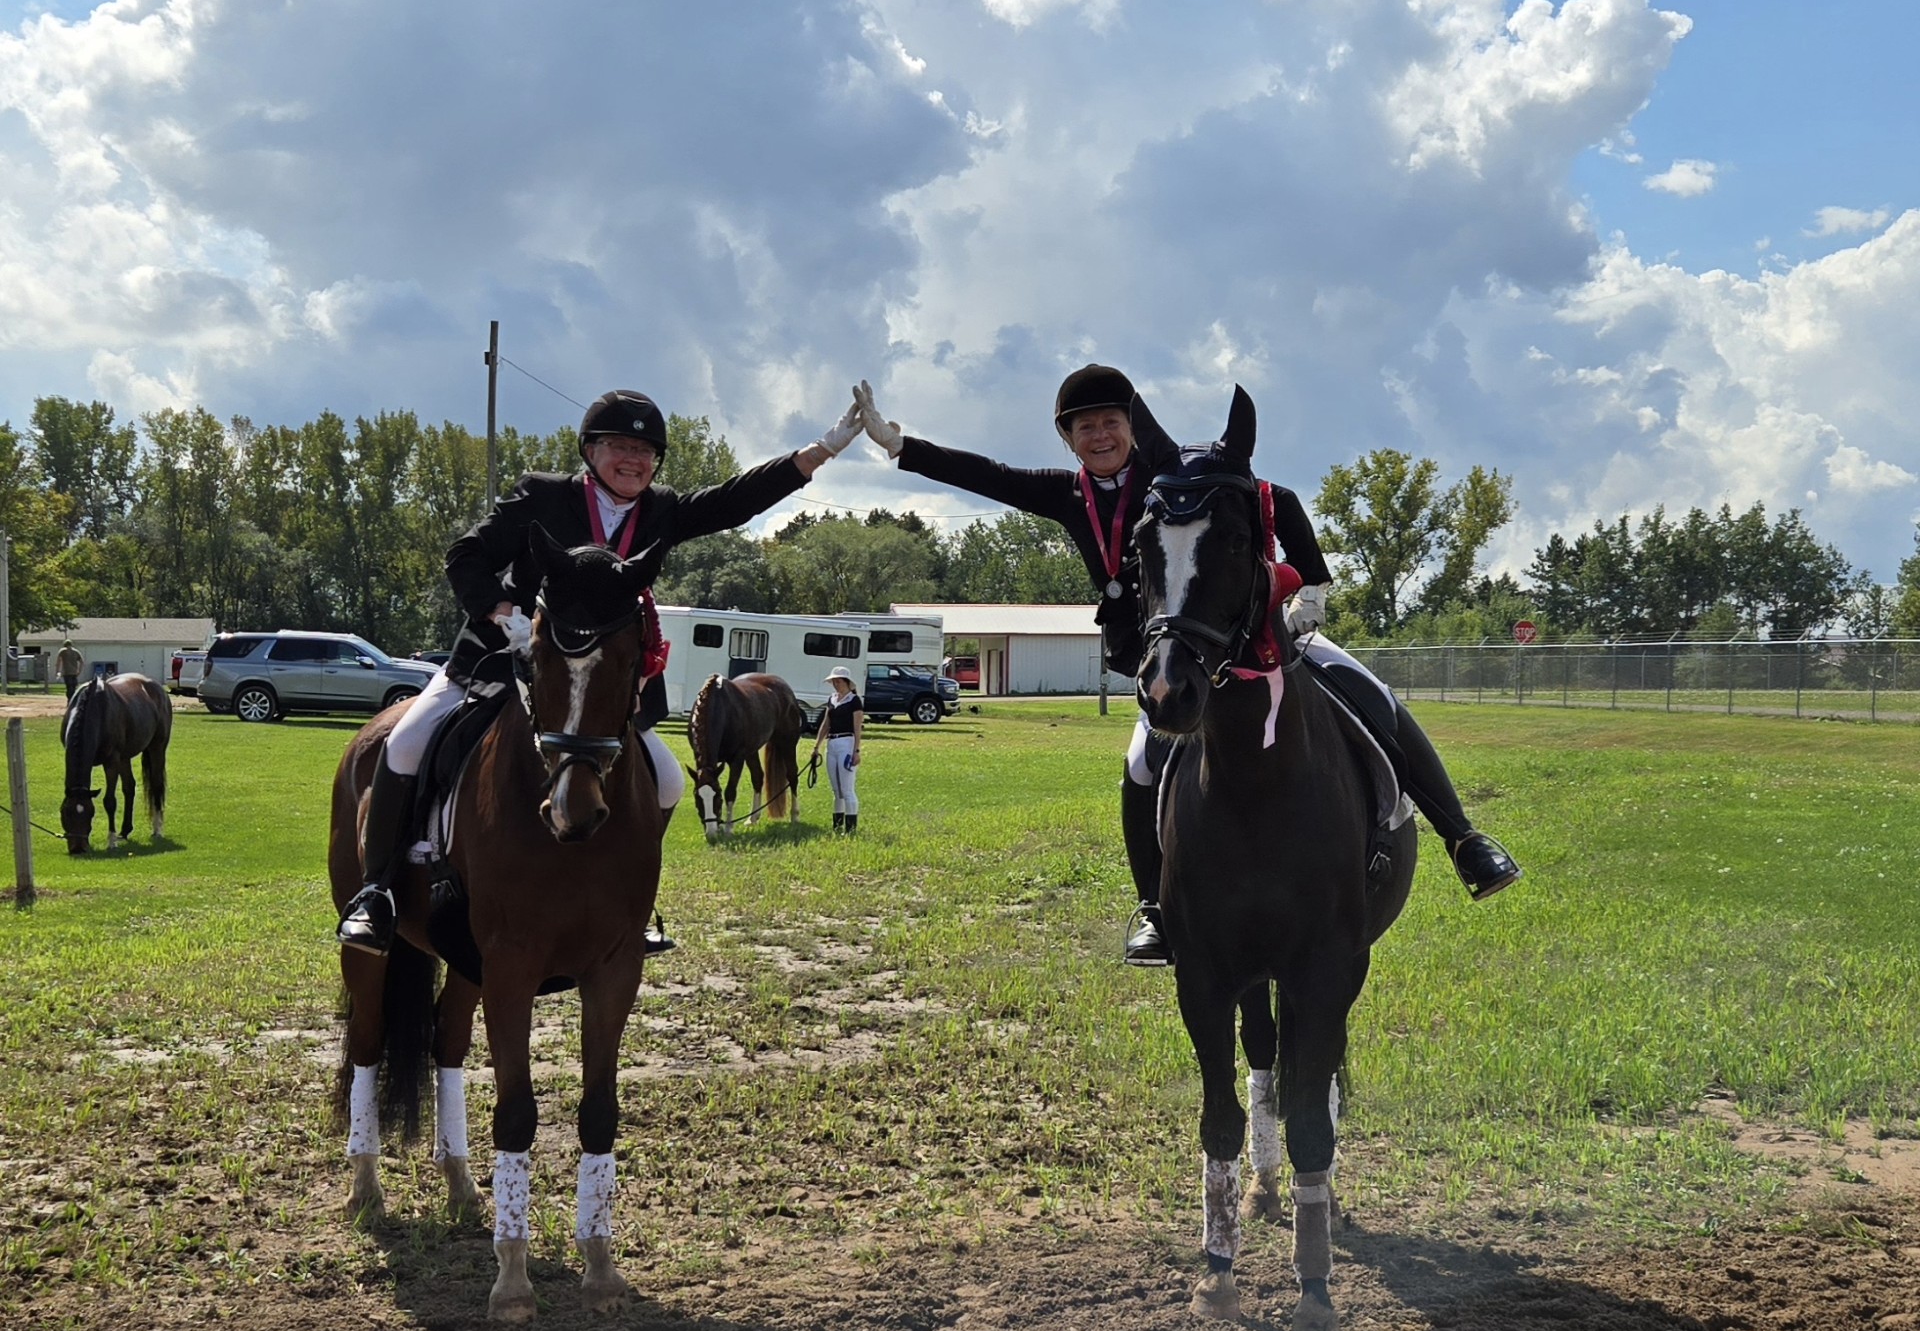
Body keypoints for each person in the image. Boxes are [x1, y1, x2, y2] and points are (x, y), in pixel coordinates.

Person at [854, 368, 1520, 965]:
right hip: (1172, 661)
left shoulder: (1173, 474)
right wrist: (898, 445)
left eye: (1111, 422)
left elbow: (1272, 496)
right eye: (1085, 427)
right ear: (1068, 439)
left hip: (1254, 636)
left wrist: (1312, 586)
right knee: (1140, 765)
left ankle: (1463, 839)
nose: (1100, 436)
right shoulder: (1067, 495)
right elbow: (986, 475)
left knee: (1371, 694)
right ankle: (1153, 907)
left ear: (1133, 428)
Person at [336, 387, 863, 953]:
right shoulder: (542, 495)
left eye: (645, 450)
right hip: (504, 659)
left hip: (599, 689)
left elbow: (736, 501)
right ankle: (377, 892)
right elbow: (465, 555)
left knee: (666, 780)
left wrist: (822, 449)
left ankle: (631, 904)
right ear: (590, 451)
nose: (633, 459)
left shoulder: (660, 510)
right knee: (407, 743)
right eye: (619, 446)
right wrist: (502, 611)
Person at [809, 666, 864, 833]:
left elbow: (857, 727)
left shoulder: (854, 701)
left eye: (838, 681)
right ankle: (837, 825)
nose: (835, 684)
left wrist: (856, 751)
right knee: (837, 790)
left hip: (846, 742)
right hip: (832, 743)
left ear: (846, 682)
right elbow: (826, 723)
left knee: (847, 789)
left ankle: (851, 828)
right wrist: (817, 745)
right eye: (834, 681)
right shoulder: (832, 699)